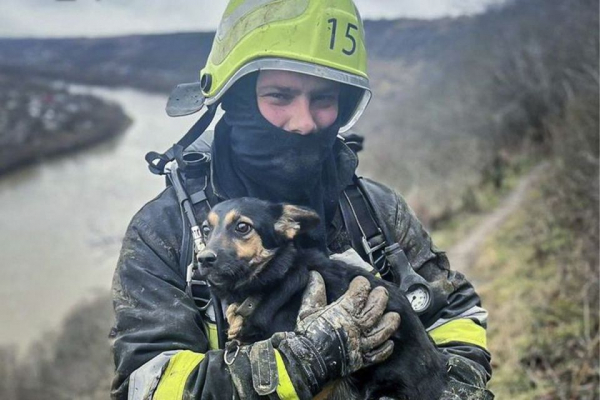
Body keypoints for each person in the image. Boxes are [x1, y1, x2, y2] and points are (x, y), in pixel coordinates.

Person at [110, 1, 494, 399]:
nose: (304, 122)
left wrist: (458, 383)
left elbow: (454, 311)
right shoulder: (164, 233)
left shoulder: (374, 211)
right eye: (279, 96)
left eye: (323, 99)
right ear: (237, 99)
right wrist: (301, 361)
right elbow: (148, 385)